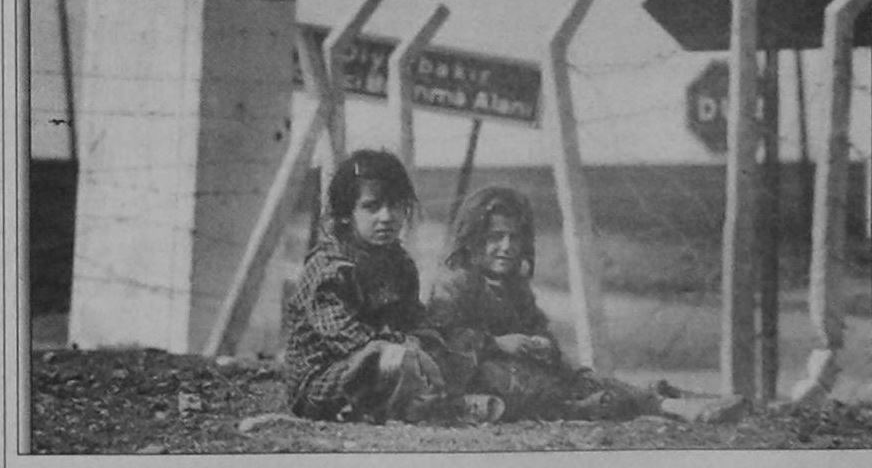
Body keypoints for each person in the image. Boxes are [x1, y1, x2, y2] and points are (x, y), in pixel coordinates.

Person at [425, 186, 747, 423]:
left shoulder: (515, 285)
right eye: (495, 237)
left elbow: (536, 326)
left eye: (514, 237)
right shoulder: (455, 282)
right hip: (480, 379)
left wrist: (542, 344)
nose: (506, 247)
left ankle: (674, 404)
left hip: (521, 372)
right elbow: (440, 341)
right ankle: (662, 405)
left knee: (580, 378)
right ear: (473, 238)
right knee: (542, 389)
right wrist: (497, 343)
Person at [283, 149, 447, 424]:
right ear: (347, 214)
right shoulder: (330, 268)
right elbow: (347, 338)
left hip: (380, 357)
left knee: (441, 348)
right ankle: (415, 406)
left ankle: (414, 402)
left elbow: (411, 316)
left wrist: (425, 337)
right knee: (389, 358)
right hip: (322, 381)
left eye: (396, 206)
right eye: (372, 207)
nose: (387, 216)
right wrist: (402, 345)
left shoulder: (399, 263)